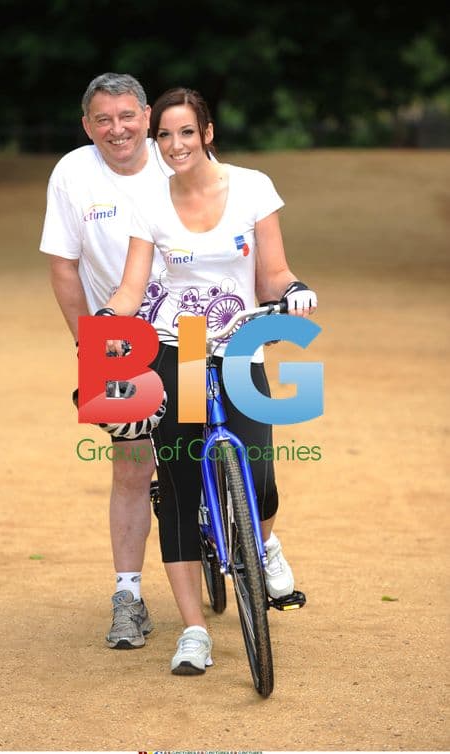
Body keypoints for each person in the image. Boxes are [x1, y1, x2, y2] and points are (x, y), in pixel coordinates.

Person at [103, 86, 318, 675]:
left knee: (263, 474)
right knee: (178, 486)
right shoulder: (148, 203)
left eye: (185, 133)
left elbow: (272, 272)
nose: (175, 145)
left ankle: (259, 540)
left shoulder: (252, 187)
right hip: (183, 344)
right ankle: (194, 630)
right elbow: (130, 287)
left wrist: (292, 291)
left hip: (241, 337)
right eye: (164, 135)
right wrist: (109, 318)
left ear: (207, 133)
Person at [39, 73, 174, 650]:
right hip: (116, 338)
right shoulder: (72, 173)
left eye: (126, 116)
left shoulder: (180, 158)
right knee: (131, 467)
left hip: (191, 331)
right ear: (87, 125)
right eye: (103, 119)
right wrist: (87, 344)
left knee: (197, 449)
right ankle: (129, 598)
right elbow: (64, 266)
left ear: (146, 115)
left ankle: (236, 538)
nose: (116, 129)